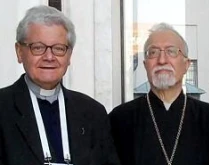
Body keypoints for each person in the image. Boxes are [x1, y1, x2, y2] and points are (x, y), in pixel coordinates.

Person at [0, 5, 120, 165]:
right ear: (19, 52)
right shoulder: (2, 107)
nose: (49, 57)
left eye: (58, 49)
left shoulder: (93, 113)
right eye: (38, 48)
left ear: (69, 55)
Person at [109, 22, 209, 165]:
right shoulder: (119, 119)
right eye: (153, 52)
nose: (162, 60)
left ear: (186, 65)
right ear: (145, 65)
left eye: (171, 51)